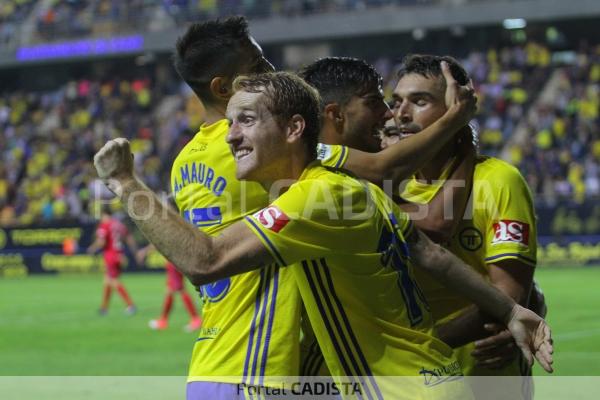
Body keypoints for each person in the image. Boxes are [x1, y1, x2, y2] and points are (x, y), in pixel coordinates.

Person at [93, 71, 553, 399]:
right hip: (431, 379)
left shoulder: (316, 198)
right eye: (230, 122)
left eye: (247, 120)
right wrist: (511, 310)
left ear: (295, 129)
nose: (230, 136)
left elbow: (205, 260)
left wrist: (127, 185)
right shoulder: (355, 189)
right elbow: (429, 254)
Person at [391, 54, 543, 399]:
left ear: (456, 109)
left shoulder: (499, 180)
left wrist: (423, 349)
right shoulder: (383, 186)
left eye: (419, 101)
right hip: (408, 386)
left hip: (483, 379)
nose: (401, 113)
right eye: (396, 102)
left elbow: (507, 297)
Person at [137, 244, 202, 332]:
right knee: (170, 289)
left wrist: (145, 251)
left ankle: (195, 319)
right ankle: (163, 320)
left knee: (180, 289)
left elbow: (160, 240)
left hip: (175, 257)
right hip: (177, 257)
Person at [86, 206, 137, 315]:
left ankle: (130, 305)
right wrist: (133, 251)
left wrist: (92, 248)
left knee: (114, 281)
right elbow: (128, 237)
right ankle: (104, 308)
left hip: (110, 256)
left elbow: (102, 242)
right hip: (119, 255)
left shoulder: (104, 225)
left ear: (104, 214)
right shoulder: (118, 224)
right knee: (107, 281)